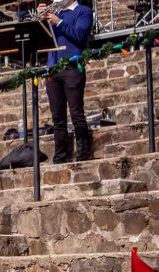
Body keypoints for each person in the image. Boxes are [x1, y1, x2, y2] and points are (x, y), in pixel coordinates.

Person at [40, 0, 94, 163]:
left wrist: (59, 22)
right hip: (53, 68)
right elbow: (41, 39)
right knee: (57, 117)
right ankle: (60, 156)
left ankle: (83, 154)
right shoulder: (56, 13)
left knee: (76, 113)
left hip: (72, 67)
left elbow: (80, 35)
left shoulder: (83, 11)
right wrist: (40, 20)